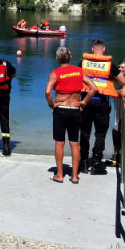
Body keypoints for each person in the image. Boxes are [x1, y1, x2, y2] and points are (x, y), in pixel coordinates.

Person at [45, 46, 88, 184]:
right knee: (75, 143)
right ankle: (75, 176)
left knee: (60, 143)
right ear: (70, 57)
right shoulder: (79, 71)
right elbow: (93, 88)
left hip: (61, 110)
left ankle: (59, 175)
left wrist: (52, 105)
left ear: (57, 59)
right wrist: (84, 101)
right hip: (75, 109)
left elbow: (47, 91)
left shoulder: (55, 73)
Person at [79, 39, 121, 175]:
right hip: (101, 102)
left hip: (86, 101)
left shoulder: (84, 63)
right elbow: (123, 81)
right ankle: (97, 164)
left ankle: (83, 163)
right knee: (100, 134)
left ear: (92, 49)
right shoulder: (109, 65)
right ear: (103, 49)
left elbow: (76, 77)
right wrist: (110, 79)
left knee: (85, 132)